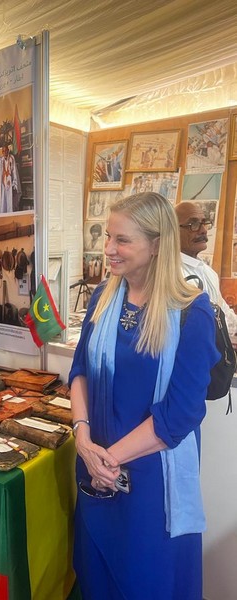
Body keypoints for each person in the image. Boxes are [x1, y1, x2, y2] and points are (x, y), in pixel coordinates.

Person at [69, 192, 219, 599]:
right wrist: (82, 438)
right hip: (96, 469)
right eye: (108, 237)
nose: (109, 249)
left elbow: (179, 415)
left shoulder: (192, 313)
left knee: (147, 581)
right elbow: (80, 371)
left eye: (122, 240)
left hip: (152, 485)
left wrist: (108, 459)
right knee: (97, 577)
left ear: (156, 245)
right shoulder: (103, 297)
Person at [175, 200, 237, 336]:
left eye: (204, 223)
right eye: (194, 224)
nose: (203, 230)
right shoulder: (172, 273)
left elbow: (225, 315)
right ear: (172, 230)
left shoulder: (209, 272)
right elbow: (205, 324)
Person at [0, 144, 19, 212]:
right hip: (3, 183)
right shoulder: (0, 160)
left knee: (10, 202)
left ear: (8, 150)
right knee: (3, 201)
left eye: (6, 150)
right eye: (3, 151)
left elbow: (14, 172)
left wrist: (15, 185)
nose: (4, 152)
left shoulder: (11, 158)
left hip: (10, 183)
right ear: (2, 152)